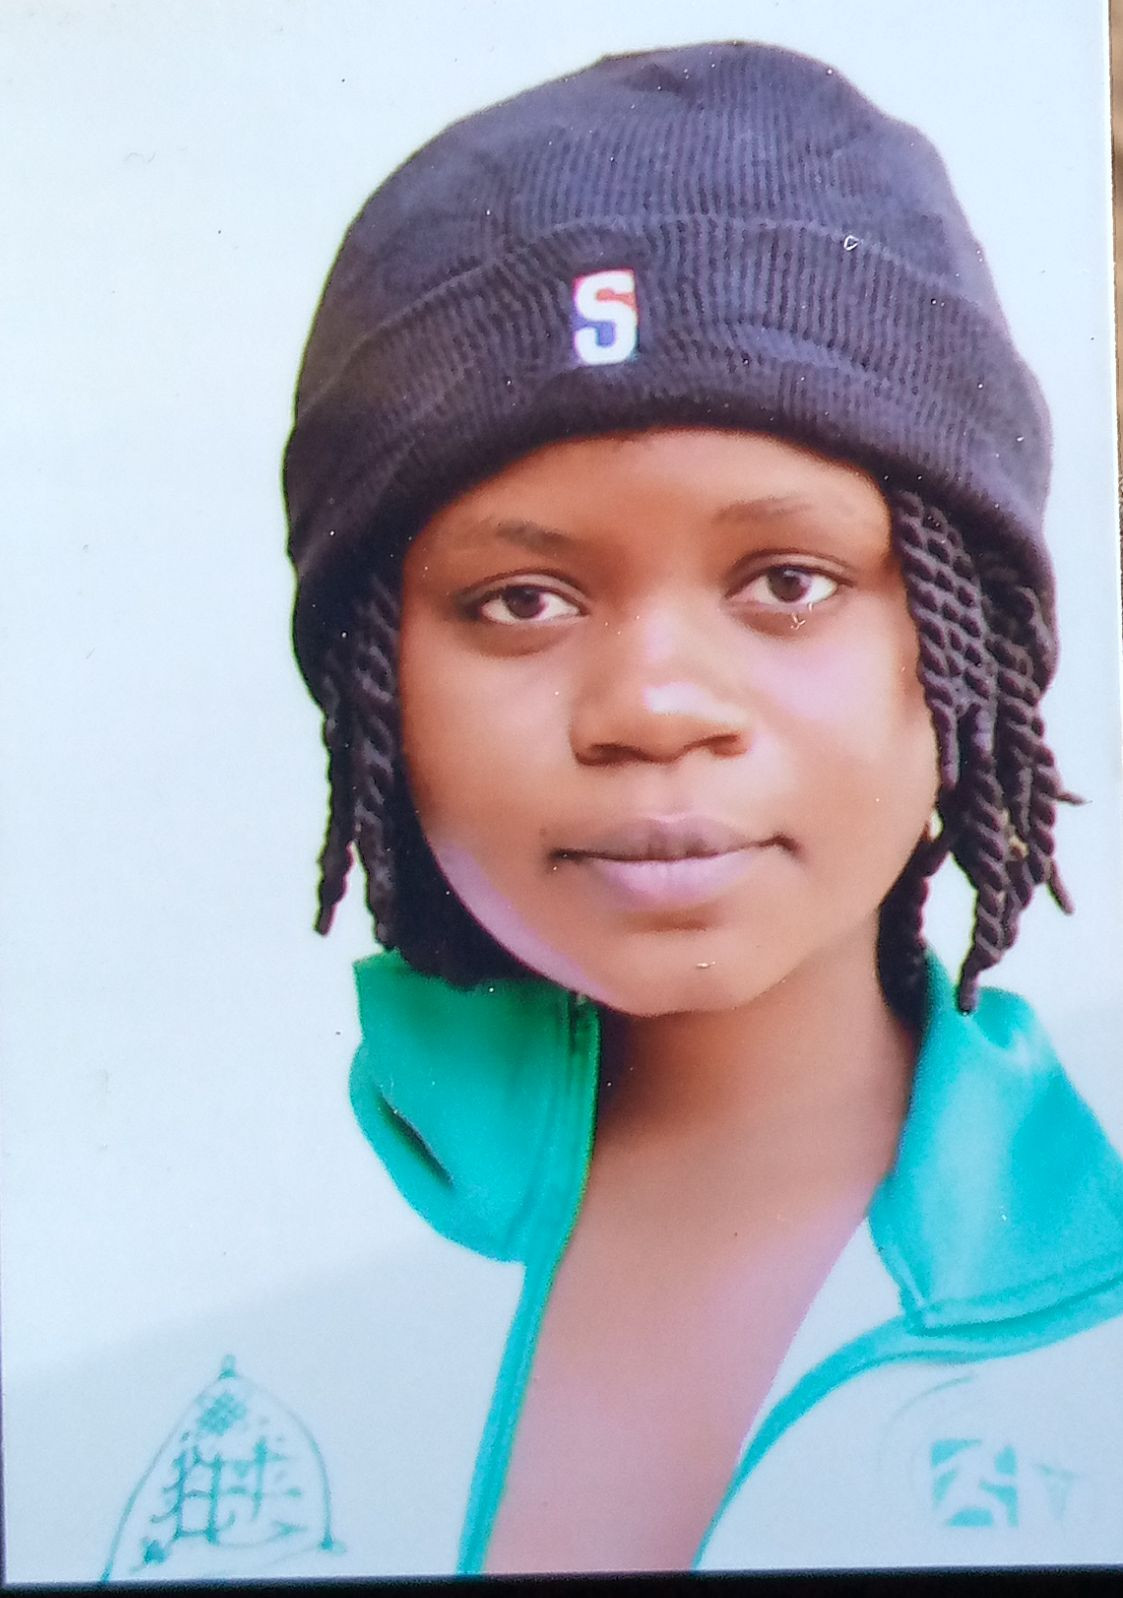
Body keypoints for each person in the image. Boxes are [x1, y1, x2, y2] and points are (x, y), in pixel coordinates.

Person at [282, 41, 1123, 1575]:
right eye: (522, 598)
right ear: (373, 682)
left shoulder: (1100, 1308)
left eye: (788, 581)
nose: (656, 704)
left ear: (970, 647)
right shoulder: (176, 1284)